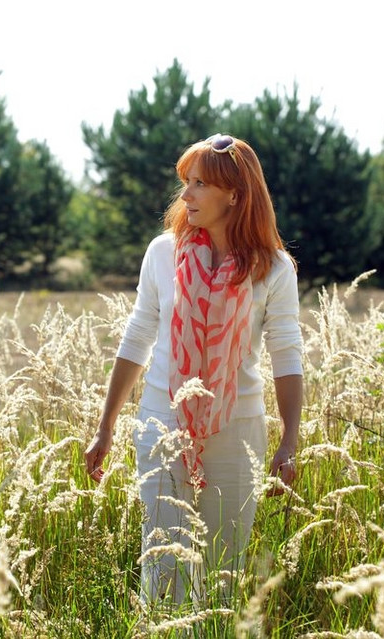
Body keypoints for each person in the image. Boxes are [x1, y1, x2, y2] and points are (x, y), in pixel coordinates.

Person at [84, 134, 303, 605]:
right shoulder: (164, 253)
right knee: (165, 566)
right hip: (162, 424)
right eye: (186, 182)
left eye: (199, 184)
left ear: (235, 194)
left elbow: (286, 353)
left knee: (225, 571)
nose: (186, 195)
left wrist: (289, 440)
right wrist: (105, 427)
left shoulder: (275, 268)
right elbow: (138, 336)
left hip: (238, 428)